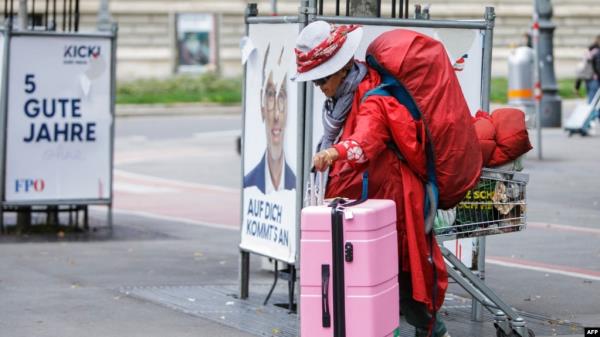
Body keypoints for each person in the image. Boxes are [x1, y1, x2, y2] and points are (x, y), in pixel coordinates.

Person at [292, 21, 450, 337]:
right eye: (314, 81)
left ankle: (433, 330)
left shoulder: (373, 97)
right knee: (371, 274)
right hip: (368, 202)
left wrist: (335, 153)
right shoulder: (343, 98)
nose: (319, 86)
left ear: (342, 69)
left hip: (392, 199)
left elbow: (367, 139)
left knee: (399, 274)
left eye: (322, 78)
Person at [244, 44, 296, 194]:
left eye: (282, 96)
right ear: (262, 107)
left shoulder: (298, 186)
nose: (277, 115)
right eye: (271, 95)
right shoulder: (248, 186)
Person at [574, 35, 600, 111]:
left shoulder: (589, 51)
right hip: (595, 80)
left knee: (591, 102)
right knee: (594, 104)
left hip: (587, 79)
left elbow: (582, 68)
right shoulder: (597, 52)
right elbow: (598, 68)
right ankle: (591, 119)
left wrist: (577, 86)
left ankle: (592, 119)